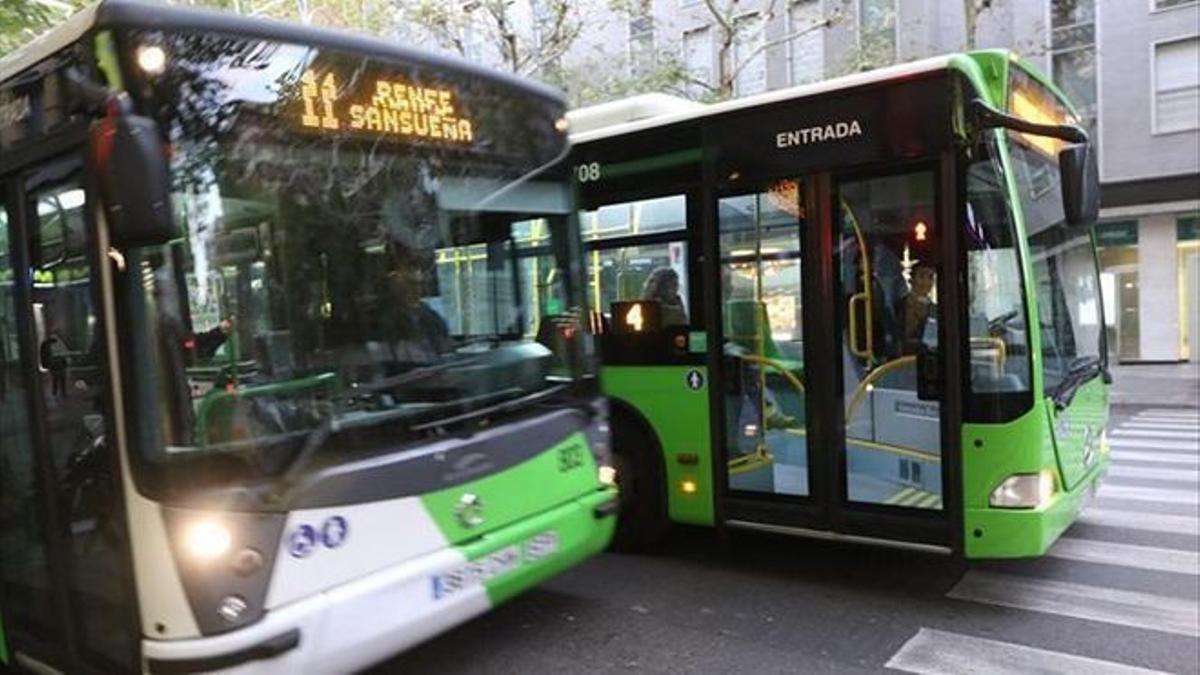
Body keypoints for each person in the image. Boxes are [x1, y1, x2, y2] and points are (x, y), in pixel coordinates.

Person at [896, 265, 936, 351]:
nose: (926, 282)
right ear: (911, 280)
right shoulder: (901, 306)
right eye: (921, 276)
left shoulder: (935, 309)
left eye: (930, 277)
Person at [40, 328, 70, 399]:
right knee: (60, 379)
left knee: (56, 379)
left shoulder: (46, 344)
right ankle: (60, 392)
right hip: (58, 363)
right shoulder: (59, 342)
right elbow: (64, 352)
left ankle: (56, 392)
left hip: (55, 364)